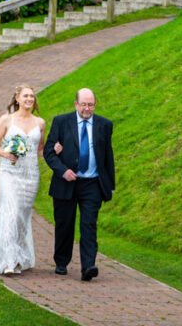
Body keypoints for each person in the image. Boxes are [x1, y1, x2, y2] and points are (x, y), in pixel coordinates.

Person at [43, 88, 115, 281]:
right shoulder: (61, 122)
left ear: (95, 105)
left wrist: (110, 184)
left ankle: (88, 266)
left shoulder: (104, 125)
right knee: (65, 224)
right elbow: (49, 152)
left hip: (92, 183)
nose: (86, 108)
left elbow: (108, 155)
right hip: (66, 182)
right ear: (76, 104)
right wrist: (63, 171)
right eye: (83, 104)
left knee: (88, 224)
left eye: (90, 104)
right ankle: (61, 261)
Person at [0, 84, 45, 275]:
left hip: (30, 175)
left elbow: (40, 150)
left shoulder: (40, 123)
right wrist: (5, 153)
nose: (29, 99)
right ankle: (8, 262)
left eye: (32, 96)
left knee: (21, 216)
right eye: (26, 96)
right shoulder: (6, 120)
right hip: (9, 173)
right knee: (10, 212)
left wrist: (58, 150)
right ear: (17, 98)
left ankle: (19, 255)